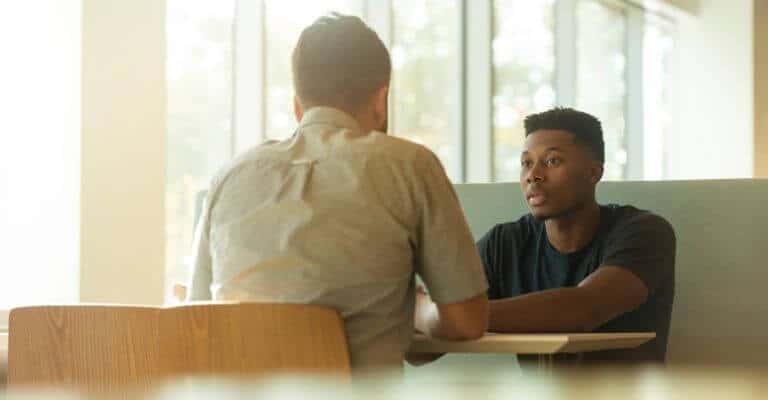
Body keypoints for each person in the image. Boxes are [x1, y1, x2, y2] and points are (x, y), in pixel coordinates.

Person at [186, 13, 489, 374]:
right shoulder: (410, 165)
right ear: (381, 100)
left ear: (298, 106)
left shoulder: (229, 177)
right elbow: (467, 321)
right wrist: (419, 309)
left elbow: (197, 320)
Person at [477, 107, 675, 364]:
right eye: (526, 163)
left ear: (593, 173)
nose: (533, 175)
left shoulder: (645, 232)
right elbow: (421, 351)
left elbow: (584, 309)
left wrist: (454, 316)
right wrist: (425, 313)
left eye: (552, 161)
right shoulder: (504, 243)